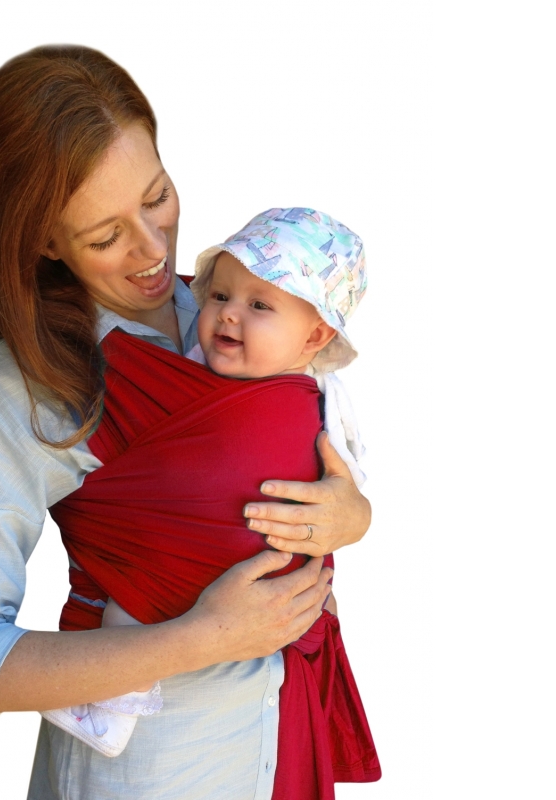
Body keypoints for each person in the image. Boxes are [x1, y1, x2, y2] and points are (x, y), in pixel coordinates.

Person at [0, 45, 373, 800]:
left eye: (157, 197)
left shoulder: (233, 310)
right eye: (105, 237)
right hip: (150, 771)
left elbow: (319, 452)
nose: (155, 249)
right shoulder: (26, 383)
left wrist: (350, 517)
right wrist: (200, 639)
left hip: (279, 738)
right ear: (43, 241)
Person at [39, 208, 379, 791]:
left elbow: (347, 482)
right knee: (127, 611)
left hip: (268, 625)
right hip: (164, 601)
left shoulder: (328, 402)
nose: (228, 313)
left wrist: (354, 518)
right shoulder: (178, 362)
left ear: (315, 336)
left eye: (260, 305)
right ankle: (105, 702)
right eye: (219, 295)